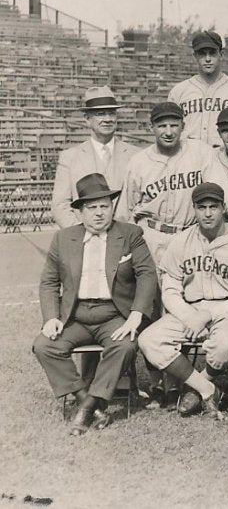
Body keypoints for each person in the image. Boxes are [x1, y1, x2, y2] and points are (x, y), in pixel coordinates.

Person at [33, 173, 158, 435]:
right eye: (92, 207)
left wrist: (135, 315)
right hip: (75, 316)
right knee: (44, 346)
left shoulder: (130, 234)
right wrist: (51, 318)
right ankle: (88, 403)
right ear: (79, 212)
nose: (99, 213)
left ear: (112, 207)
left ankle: (87, 408)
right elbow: (49, 282)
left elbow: (147, 275)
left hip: (114, 314)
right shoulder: (63, 238)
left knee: (124, 346)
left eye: (105, 206)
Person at [137, 182, 228, 419]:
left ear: (223, 208)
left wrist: (207, 316)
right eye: (202, 207)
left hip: (227, 311)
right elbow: (169, 289)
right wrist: (190, 317)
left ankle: (200, 384)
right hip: (189, 309)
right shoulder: (180, 241)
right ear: (194, 209)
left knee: (224, 347)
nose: (208, 213)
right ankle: (206, 388)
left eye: (213, 207)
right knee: (149, 340)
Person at [123, 101, 228, 268]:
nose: (169, 132)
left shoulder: (200, 151)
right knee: (152, 291)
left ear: (183, 126)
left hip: (189, 235)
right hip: (151, 236)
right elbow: (126, 211)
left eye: (174, 125)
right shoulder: (138, 162)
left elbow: (224, 189)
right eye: (162, 126)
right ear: (151, 128)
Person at [52, 86, 138, 228]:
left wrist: (129, 234)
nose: (107, 119)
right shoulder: (70, 157)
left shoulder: (135, 155)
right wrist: (82, 235)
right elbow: (60, 205)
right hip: (85, 239)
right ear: (87, 119)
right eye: (101, 114)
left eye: (111, 113)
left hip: (126, 238)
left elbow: (142, 203)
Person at [168, 31, 228, 148]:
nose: (207, 59)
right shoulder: (178, 91)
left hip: (225, 158)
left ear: (221, 54)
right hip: (188, 158)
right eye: (202, 53)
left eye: (212, 53)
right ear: (195, 56)